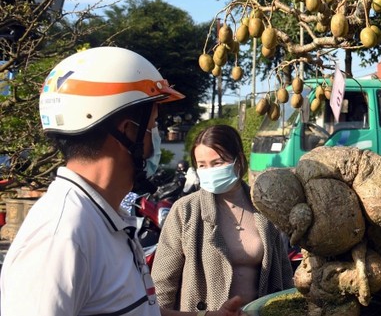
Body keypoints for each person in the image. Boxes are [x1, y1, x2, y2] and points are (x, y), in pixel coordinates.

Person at [0, 46, 244, 316]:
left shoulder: (103, 217)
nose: (156, 140)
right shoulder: (61, 235)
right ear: (128, 131)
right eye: (153, 126)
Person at [152, 124, 294, 312]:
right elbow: (163, 284)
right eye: (202, 165)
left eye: (218, 163)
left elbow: (283, 275)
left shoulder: (264, 208)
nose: (209, 170)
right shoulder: (185, 211)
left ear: (239, 161)